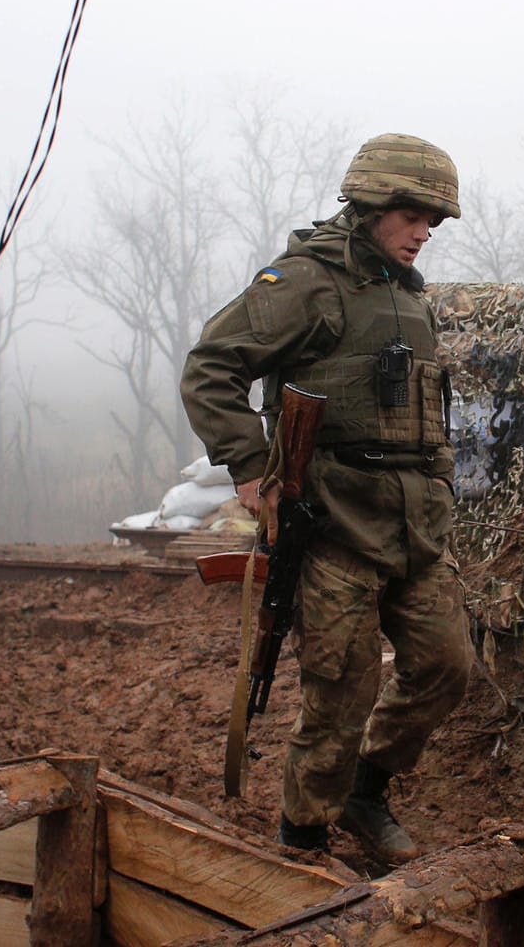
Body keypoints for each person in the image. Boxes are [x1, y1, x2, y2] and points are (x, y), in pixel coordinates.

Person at [180, 133, 472, 863]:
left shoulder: (407, 294)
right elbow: (211, 367)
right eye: (413, 214)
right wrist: (251, 470)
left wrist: (439, 476)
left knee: (446, 665)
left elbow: (424, 406)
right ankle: (303, 837)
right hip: (334, 520)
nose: (423, 231)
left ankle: (365, 795)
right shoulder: (309, 282)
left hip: (414, 524)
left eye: (433, 220)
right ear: (373, 205)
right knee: (339, 692)